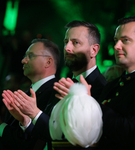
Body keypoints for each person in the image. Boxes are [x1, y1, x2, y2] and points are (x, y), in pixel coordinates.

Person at [54, 16, 135, 150]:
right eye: (116, 40)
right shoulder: (113, 85)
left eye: (125, 40)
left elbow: (133, 133)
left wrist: (87, 102)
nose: (117, 46)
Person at [8, 20, 107, 150]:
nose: (67, 48)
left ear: (94, 50)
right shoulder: (61, 84)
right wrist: (26, 121)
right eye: (66, 42)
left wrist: (35, 113)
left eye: (75, 43)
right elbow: (49, 135)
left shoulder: (102, 88)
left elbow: (90, 139)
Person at [0, 38, 60, 150]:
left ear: (48, 62)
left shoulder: (56, 93)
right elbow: (11, 137)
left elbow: (33, 142)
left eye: (30, 56)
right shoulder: (25, 93)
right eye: (25, 56)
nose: (23, 60)